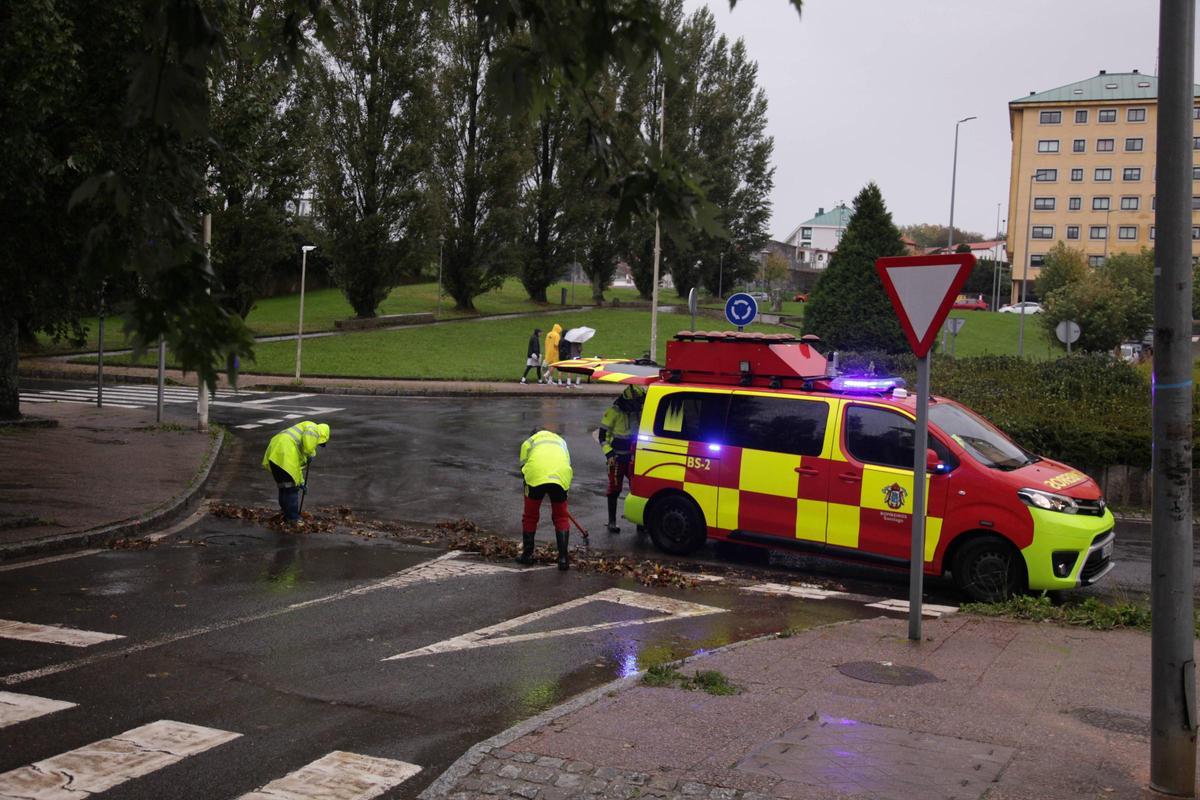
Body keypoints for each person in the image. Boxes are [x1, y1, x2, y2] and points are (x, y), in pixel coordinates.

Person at [517, 427, 574, 570]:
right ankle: (563, 559)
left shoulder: (528, 442)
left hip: (536, 476)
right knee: (561, 516)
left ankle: (527, 555)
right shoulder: (561, 441)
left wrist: (531, 485)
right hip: (561, 476)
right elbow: (567, 462)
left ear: (533, 434)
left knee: (530, 516)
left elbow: (523, 467)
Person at [598, 385, 645, 533]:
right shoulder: (614, 412)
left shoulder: (639, 411)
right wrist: (609, 454)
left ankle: (640, 522)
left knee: (638, 488)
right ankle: (612, 521)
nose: (639, 405)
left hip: (634, 457)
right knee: (614, 489)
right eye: (637, 402)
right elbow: (602, 436)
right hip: (617, 457)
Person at [262, 420, 331, 522]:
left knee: (284, 487)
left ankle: (286, 512)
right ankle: (293, 518)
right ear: (323, 435)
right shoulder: (313, 429)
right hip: (285, 454)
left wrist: (301, 482)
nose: (317, 445)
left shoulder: (302, 432)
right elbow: (308, 448)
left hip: (275, 453)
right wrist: (310, 454)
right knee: (292, 489)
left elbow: (296, 467)